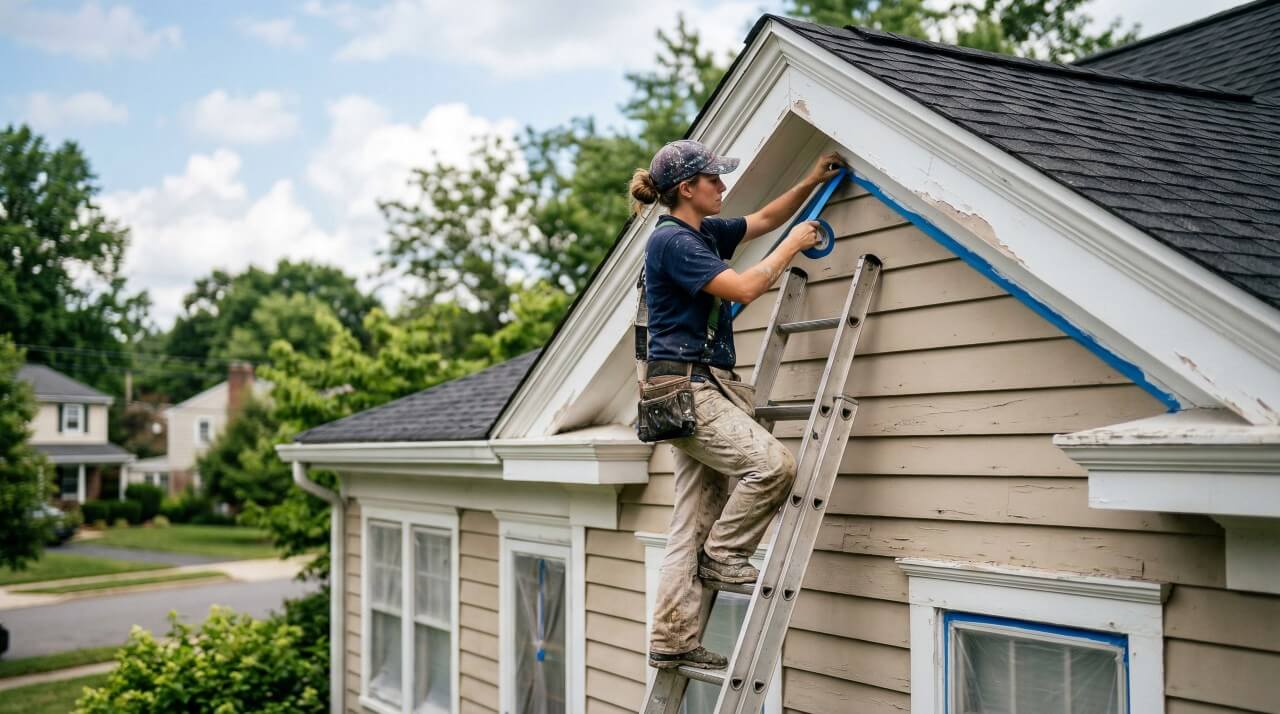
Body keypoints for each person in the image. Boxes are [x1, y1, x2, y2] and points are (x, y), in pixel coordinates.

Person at [630, 139, 845, 671]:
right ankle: (725, 556)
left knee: (692, 519)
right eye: (714, 180)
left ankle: (671, 637)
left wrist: (812, 178)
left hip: (695, 388)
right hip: (688, 390)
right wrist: (795, 245)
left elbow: (766, 218)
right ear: (687, 188)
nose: (723, 186)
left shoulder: (702, 233)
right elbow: (745, 288)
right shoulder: (673, 244)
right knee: (773, 466)